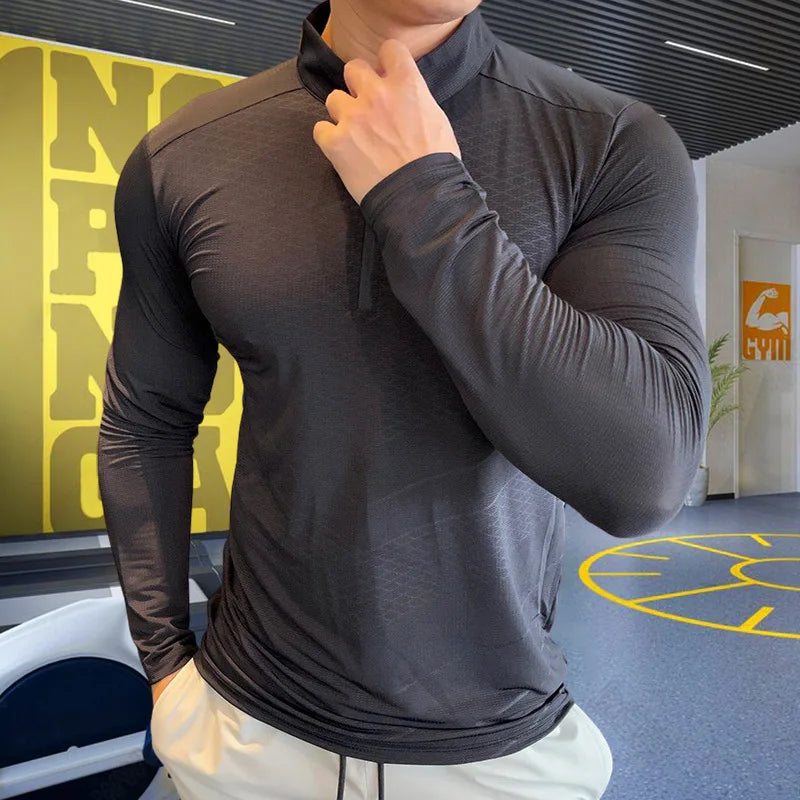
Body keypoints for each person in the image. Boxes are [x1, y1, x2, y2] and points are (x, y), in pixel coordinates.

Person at [97, 0, 711, 797]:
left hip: (499, 751)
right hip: (246, 732)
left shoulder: (611, 142)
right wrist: (165, 665)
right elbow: (146, 420)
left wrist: (426, 197)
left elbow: (644, 475)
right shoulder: (183, 155)